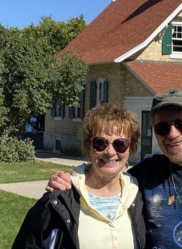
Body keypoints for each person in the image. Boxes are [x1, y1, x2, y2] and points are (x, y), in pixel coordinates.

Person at [48, 89, 182, 249]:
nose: (172, 134)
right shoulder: (143, 174)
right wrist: (70, 180)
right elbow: (107, 172)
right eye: (162, 127)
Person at [13, 104, 146, 249]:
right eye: (100, 143)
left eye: (120, 144)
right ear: (89, 146)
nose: (110, 152)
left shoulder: (138, 195)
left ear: (130, 149)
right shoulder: (59, 199)